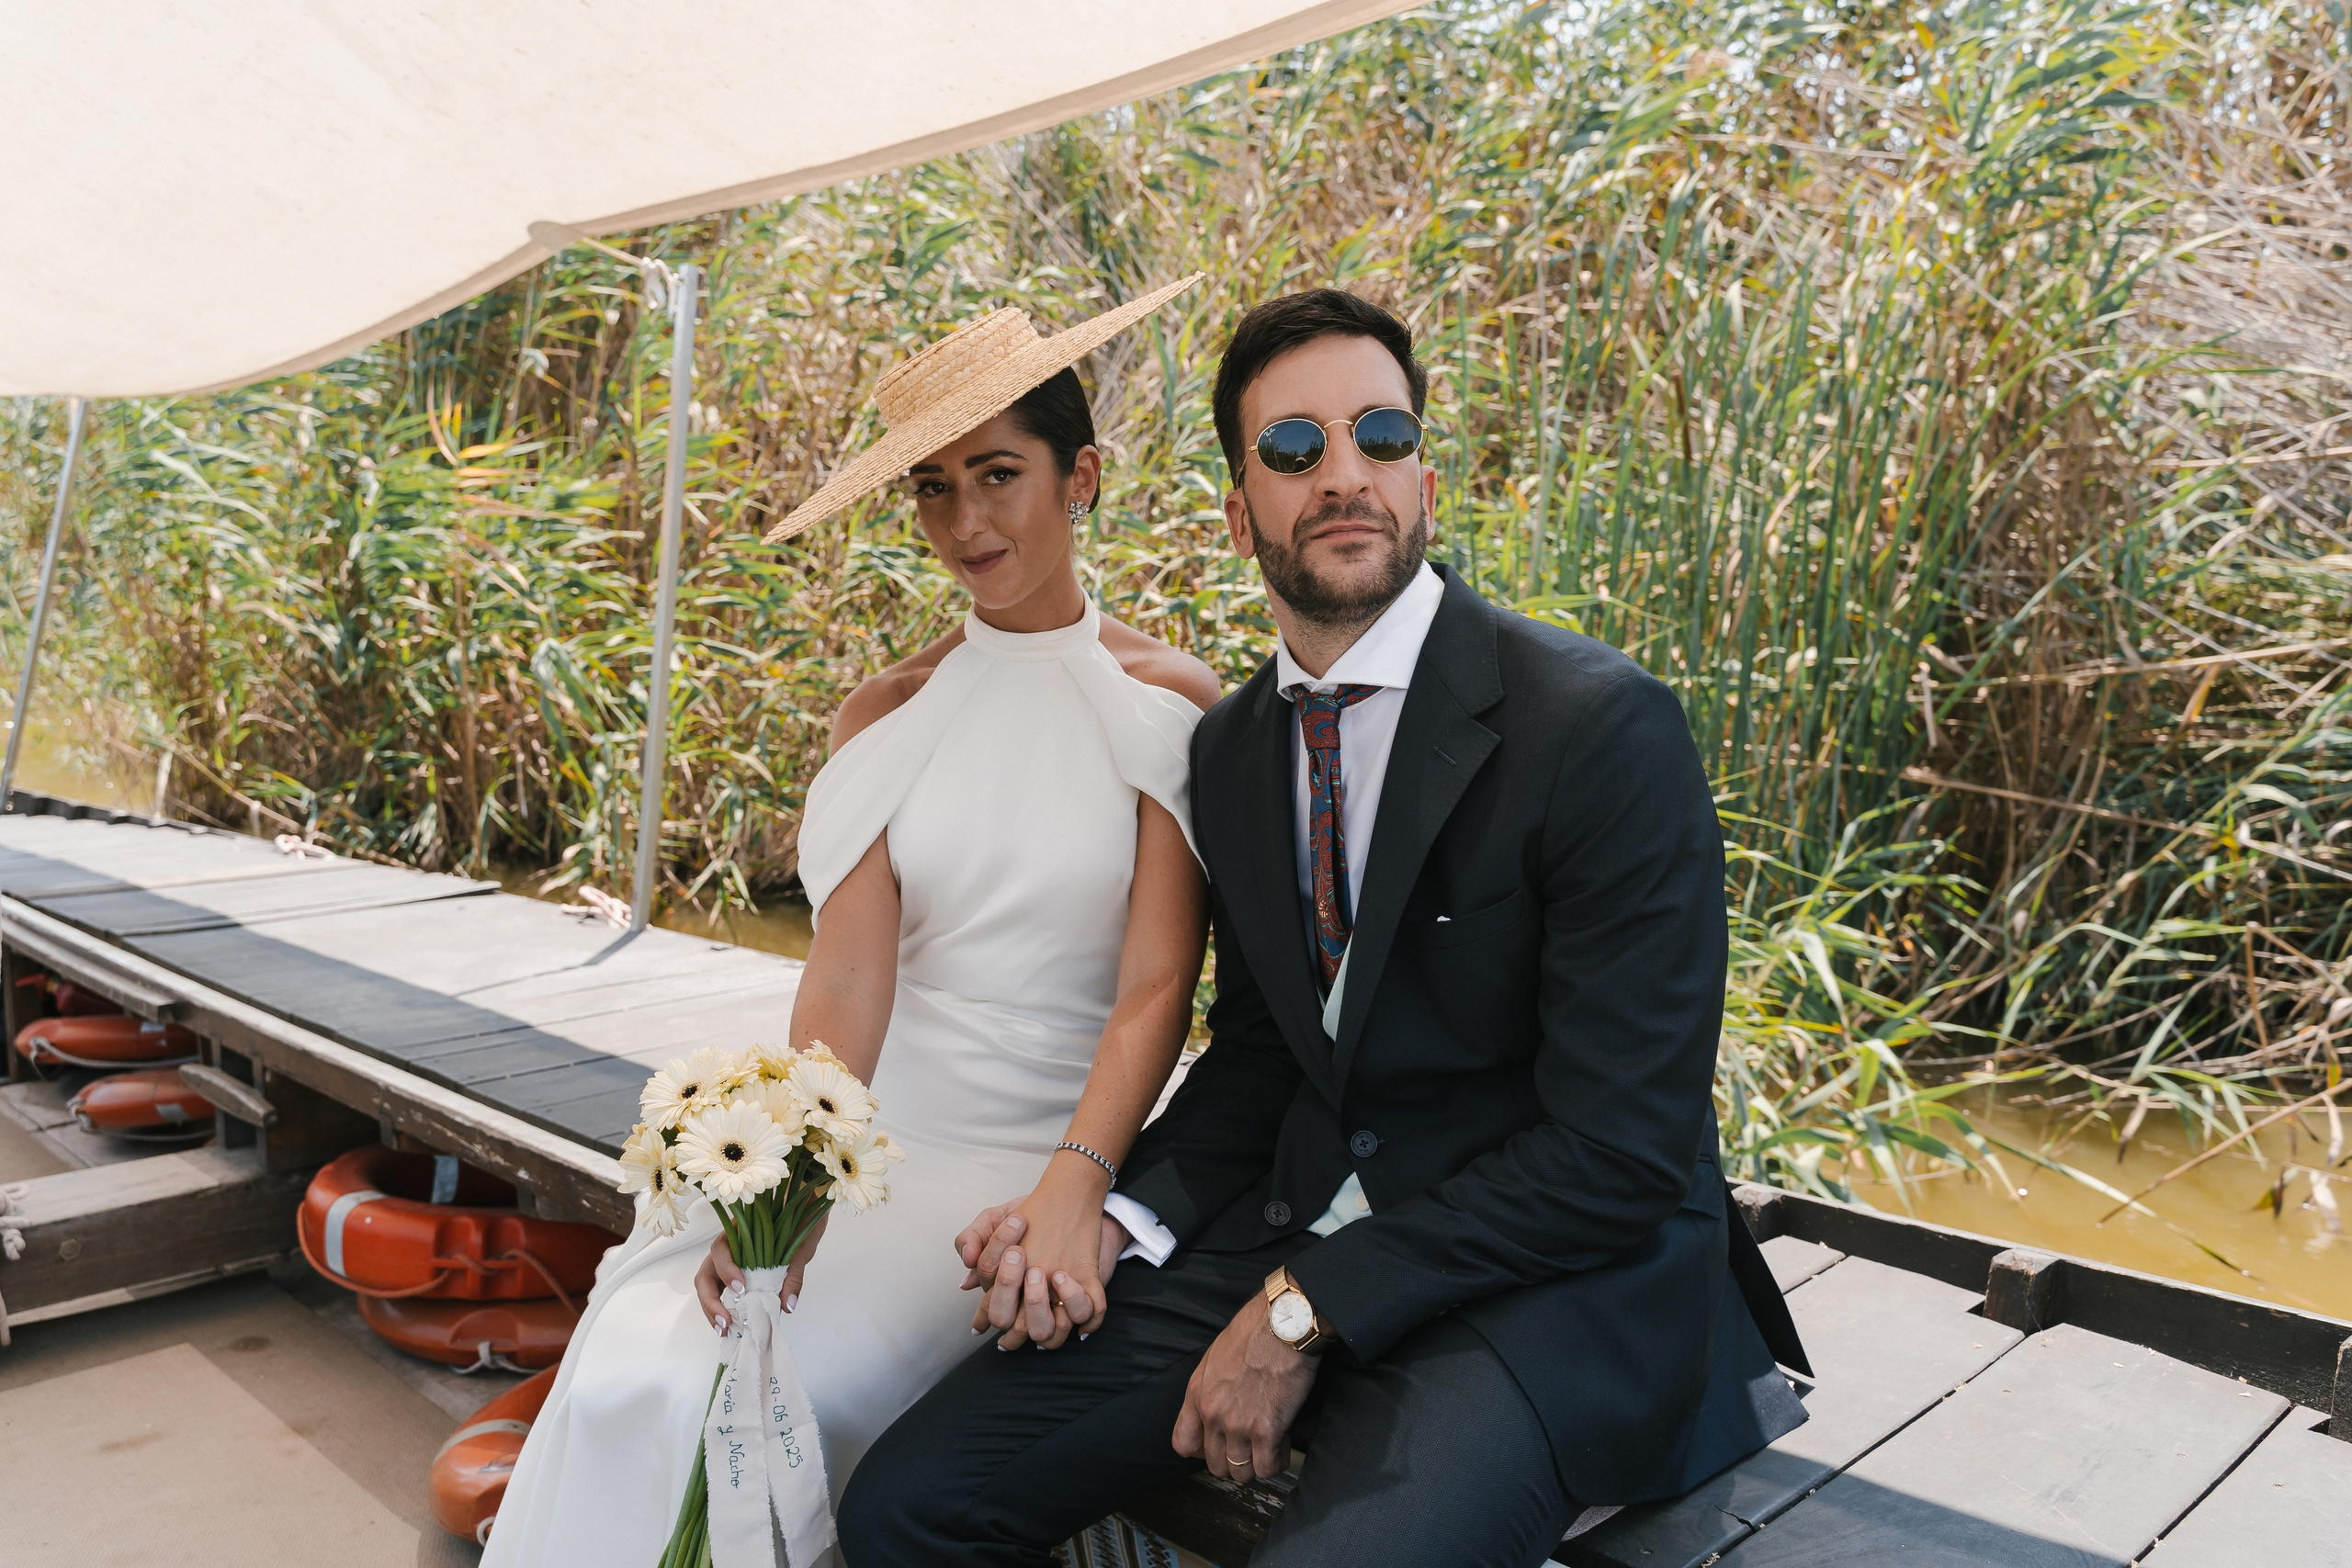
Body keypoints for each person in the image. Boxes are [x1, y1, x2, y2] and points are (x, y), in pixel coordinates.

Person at [839, 288, 1813, 1567]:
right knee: (908, 1502)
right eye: (1296, 450)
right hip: (1292, 1220)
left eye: (1381, 438)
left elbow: (1620, 1153)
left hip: (1543, 1287)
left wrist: (1303, 1313)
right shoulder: (1237, 748)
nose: (1345, 475)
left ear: (1423, 476)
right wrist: (1113, 1221)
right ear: (1242, 508)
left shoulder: (1597, 725)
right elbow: (1257, 1054)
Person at [480, 275, 1219, 1568]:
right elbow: (845, 991)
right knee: (644, 1376)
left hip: (1025, 1167)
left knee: (768, 1399)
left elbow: (1156, 990)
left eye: (999, 475)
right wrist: (789, 1184)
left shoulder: (1169, 703)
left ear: (1081, 476)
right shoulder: (886, 714)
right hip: (878, 1145)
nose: (966, 519)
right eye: (932, 487)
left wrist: (1073, 1186)